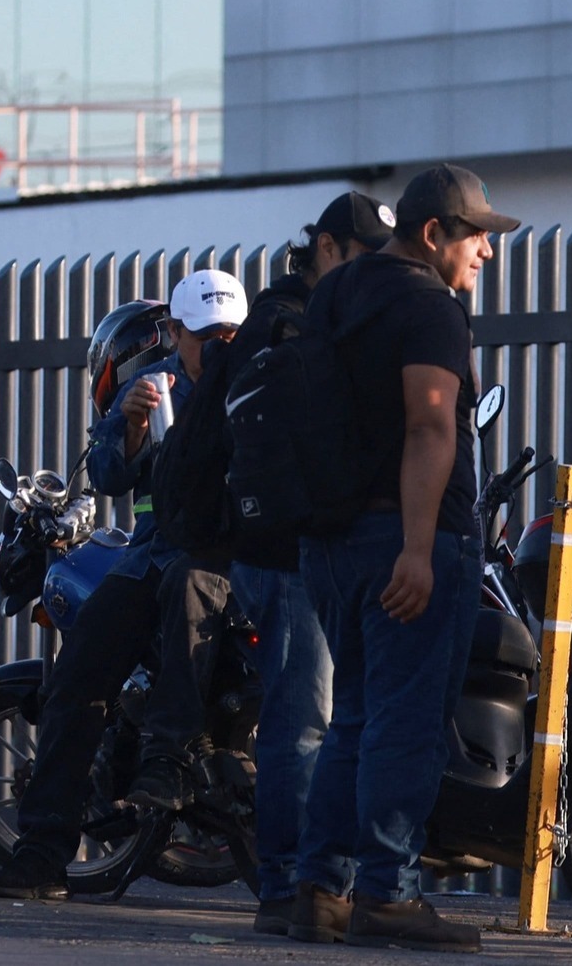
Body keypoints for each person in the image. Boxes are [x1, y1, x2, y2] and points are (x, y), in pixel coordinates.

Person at [287, 163, 518, 954]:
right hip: (405, 542)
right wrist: (420, 551)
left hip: (331, 542)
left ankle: (320, 890)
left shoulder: (336, 295)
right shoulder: (429, 306)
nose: (486, 250)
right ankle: (387, 894)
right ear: (433, 233)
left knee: (353, 716)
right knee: (407, 724)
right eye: (477, 235)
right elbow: (429, 426)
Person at [0, 268, 249, 902]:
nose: (217, 347)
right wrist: (129, 429)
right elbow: (104, 476)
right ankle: (42, 855)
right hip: (151, 559)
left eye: (230, 334)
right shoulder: (152, 389)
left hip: (232, 565)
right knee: (76, 679)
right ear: (174, 333)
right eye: (204, 335)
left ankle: (171, 758)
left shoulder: (260, 384)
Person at [233, 191, 391, 935]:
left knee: (319, 720)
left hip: (302, 552)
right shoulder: (287, 323)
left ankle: (307, 882)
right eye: (362, 258)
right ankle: (287, 886)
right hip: (286, 556)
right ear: (327, 248)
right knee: (303, 725)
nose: (373, 274)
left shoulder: (307, 318)